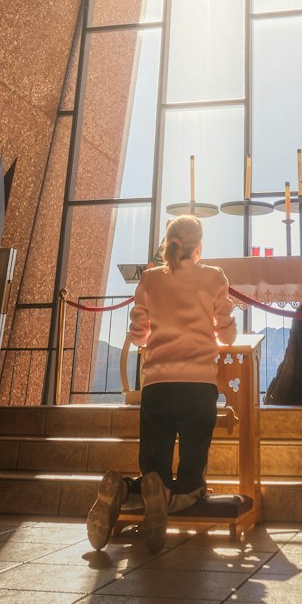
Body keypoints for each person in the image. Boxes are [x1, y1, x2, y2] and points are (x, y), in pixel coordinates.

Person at [86, 214, 237, 554]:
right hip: (199, 386)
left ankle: (126, 491)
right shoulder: (214, 277)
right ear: (198, 248)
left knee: (154, 465)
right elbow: (227, 332)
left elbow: (139, 333)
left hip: (157, 385)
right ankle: (167, 497)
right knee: (192, 477)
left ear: (169, 244)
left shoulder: (151, 279)